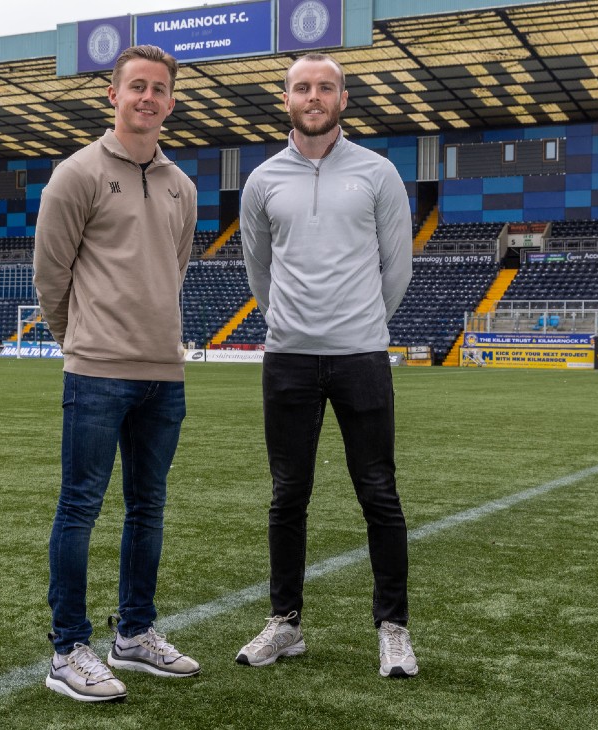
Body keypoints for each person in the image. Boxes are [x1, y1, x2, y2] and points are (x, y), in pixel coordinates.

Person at [236, 53, 417, 678]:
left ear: (343, 98)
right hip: (287, 357)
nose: (313, 96)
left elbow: (397, 268)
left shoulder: (379, 173)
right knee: (288, 496)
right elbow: (258, 270)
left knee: (379, 493)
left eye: (325, 88)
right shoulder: (262, 180)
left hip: (362, 356)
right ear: (285, 99)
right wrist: (290, 322)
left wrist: (359, 325)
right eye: (302, 87)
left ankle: (393, 629)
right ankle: (285, 624)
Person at [33, 44, 199, 703]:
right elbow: (51, 276)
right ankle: (68, 648)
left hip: (165, 373)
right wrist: (79, 341)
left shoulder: (182, 187)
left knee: (148, 507)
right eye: (136, 86)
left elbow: (175, 268)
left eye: (159, 89)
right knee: (80, 506)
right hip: (97, 371)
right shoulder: (75, 175)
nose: (147, 97)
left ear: (171, 101)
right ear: (113, 94)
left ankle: (134, 635)